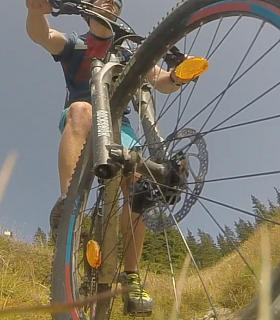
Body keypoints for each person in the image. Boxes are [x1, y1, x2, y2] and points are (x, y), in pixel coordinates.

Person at [25, 0, 193, 315]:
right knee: (81, 109)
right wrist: (36, 10)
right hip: (85, 121)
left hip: (120, 127)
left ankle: (131, 278)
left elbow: (162, 81)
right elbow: (43, 36)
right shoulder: (77, 43)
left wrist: (180, 75)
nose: (109, 3)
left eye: (115, 2)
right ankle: (70, 208)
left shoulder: (128, 53)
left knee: (139, 182)